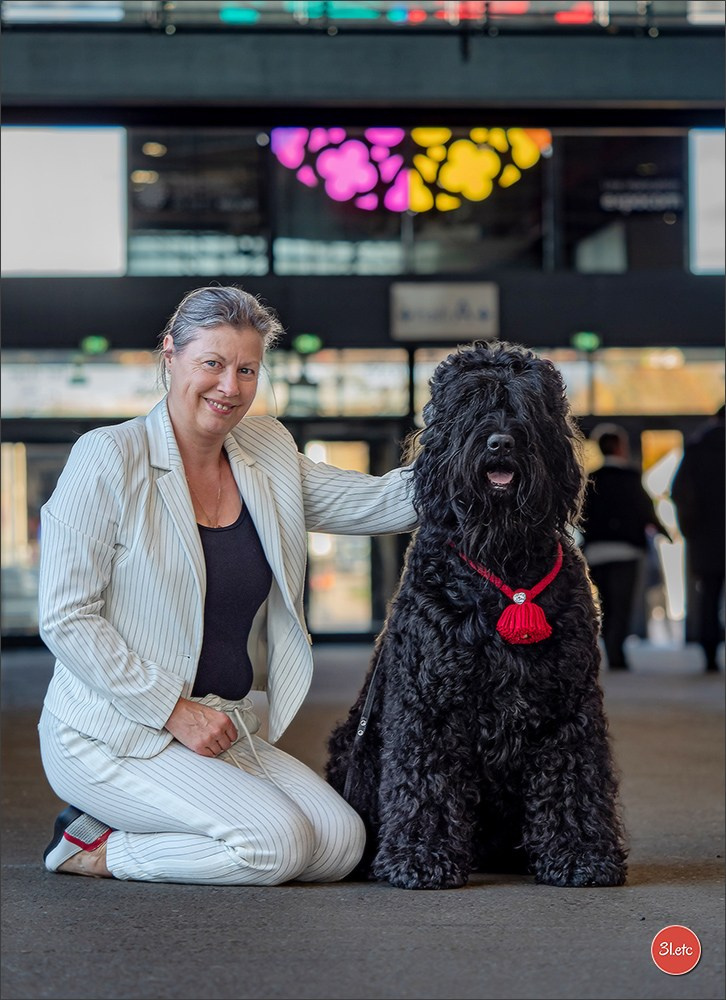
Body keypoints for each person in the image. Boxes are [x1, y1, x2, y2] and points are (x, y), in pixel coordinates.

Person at [38, 285, 418, 885]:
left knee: (340, 846)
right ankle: (96, 847)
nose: (230, 387)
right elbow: (66, 618)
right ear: (170, 354)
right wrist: (173, 711)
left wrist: (472, 452)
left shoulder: (266, 451)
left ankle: (160, 825)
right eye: (212, 363)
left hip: (221, 725)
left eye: (246, 370)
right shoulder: (108, 457)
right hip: (112, 730)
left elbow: (376, 502)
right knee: (276, 846)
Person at [581, 423, 670, 670]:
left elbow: (580, 516)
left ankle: (610, 649)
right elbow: (645, 511)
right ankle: (616, 653)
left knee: (606, 603)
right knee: (621, 605)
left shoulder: (591, 479)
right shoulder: (631, 478)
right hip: (627, 551)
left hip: (597, 552)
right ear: (620, 447)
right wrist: (665, 533)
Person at [670, 405, 725, 673]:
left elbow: (680, 491)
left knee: (709, 598)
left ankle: (709, 654)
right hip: (707, 536)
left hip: (707, 540)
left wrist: (690, 529)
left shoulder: (696, 449)